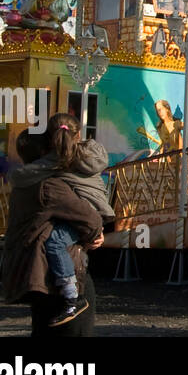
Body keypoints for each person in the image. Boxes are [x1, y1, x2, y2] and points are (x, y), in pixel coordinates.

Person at [3, 123, 104, 337]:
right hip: (61, 275)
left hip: (37, 275)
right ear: (46, 151)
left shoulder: (21, 183)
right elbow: (91, 220)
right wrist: (96, 235)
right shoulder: (50, 186)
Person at [32, 116, 114, 326]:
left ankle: (72, 296)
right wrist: (96, 230)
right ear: (78, 134)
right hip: (95, 212)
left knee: (56, 241)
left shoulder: (60, 162)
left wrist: (95, 230)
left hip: (87, 214)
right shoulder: (87, 157)